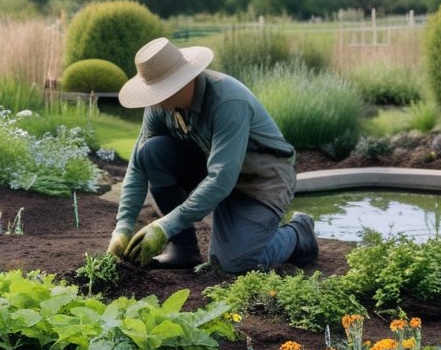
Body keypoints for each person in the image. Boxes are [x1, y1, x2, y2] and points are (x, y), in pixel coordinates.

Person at [106, 37, 318, 273]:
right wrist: (122, 228)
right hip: (215, 169)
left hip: (262, 180)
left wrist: (165, 226)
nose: (156, 102)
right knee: (152, 151)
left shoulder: (228, 101)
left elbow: (221, 178)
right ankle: (183, 249)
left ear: (183, 80)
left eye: (161, 92)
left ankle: (298, 233)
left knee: (233, 265)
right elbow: (138, 166)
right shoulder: (161, 107)